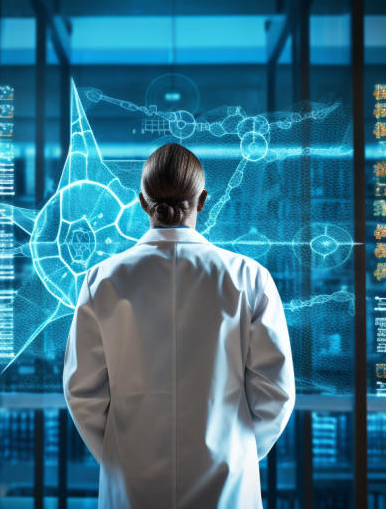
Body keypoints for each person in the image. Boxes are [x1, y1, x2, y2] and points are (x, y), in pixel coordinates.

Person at [62, 142, 295, 508]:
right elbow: (276, 394)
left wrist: (121, 457)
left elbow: (83, 395)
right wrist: (237, 454)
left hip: (132, 485)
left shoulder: (102, 280)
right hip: (227, 487)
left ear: (142, 202)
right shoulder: (249, 278)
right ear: (202, 201)